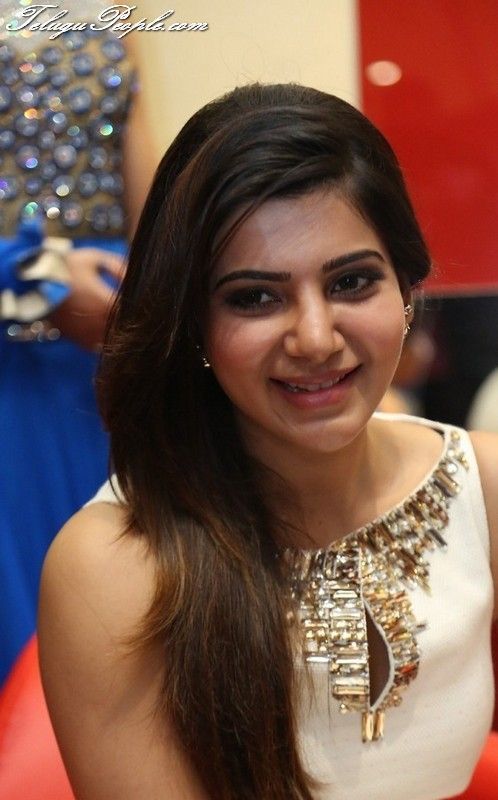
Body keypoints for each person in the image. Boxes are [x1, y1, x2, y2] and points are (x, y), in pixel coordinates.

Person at [38, 83, 498, 800]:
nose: (315, 338)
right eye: (255, 297)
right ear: (193, 324)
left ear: (407, 293)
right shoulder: (117, 565)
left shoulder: (483, 484)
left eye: (352, 282)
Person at [0, 7, 155, 684]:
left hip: (105, 367)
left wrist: (160, 290)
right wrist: (41, 276)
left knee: (131, 617)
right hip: (14, 381)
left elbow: (147, 191)